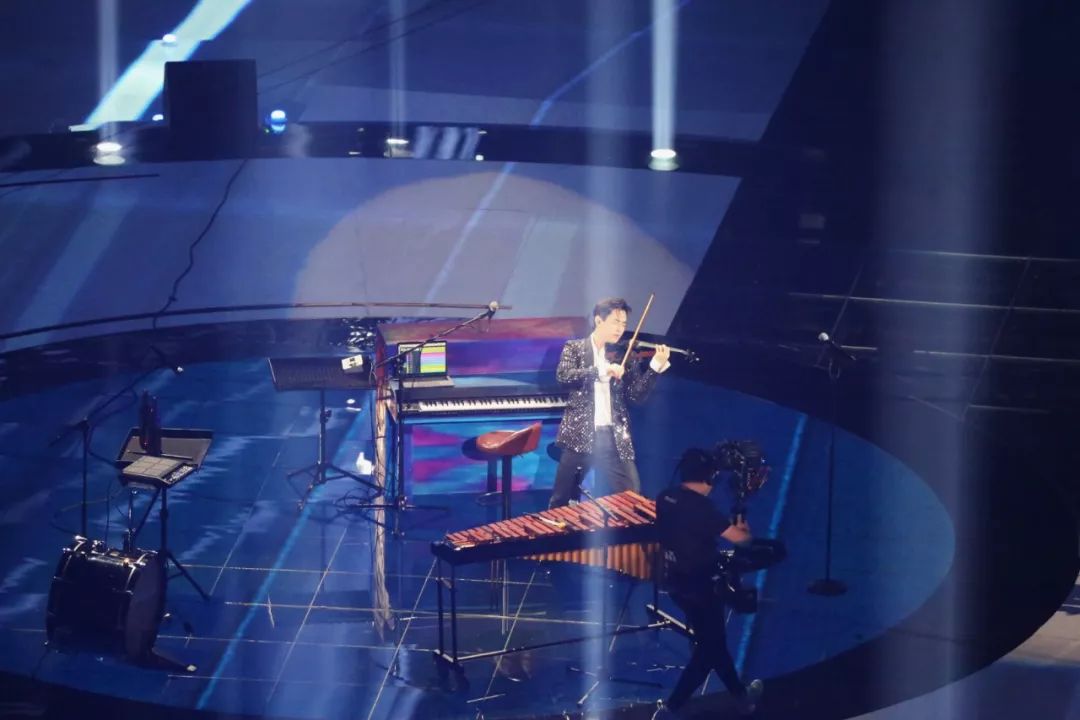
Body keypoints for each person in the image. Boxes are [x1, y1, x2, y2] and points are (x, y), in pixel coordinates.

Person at [654, 448, 765, 717]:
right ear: (709, 478)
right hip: (702, 587)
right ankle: (670, 709)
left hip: (675, 583)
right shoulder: (703, 509)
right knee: (709, 651)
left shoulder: (664, 497)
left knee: (713, 645)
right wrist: (744, 526)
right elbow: (742, 540)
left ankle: (741, 697)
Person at [548, 297, 671, 508]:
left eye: (623, 323)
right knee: (561, 498)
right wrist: (600, 371)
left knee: (633, 496)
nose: (620, 328)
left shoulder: (624, 355)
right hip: (579, 435)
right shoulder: (575, 348)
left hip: (614, 437)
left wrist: (654, 368)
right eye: (615, 322)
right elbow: (563, 376)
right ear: (598, 320)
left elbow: (636, 396)